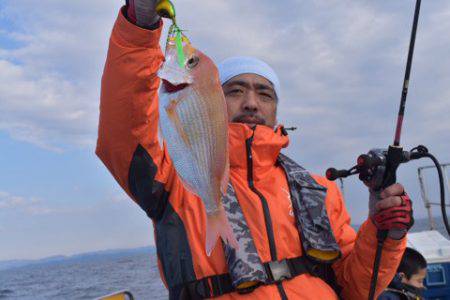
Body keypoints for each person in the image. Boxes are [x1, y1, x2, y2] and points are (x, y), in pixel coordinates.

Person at [96, 1, 414, 299]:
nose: (251, 102)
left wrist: (386, 233)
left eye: (264, 93)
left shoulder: (321, 190)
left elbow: (356, 287)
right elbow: (125, 132)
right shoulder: (176, 182)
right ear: (212, 100)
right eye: (236, 90)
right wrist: (139, 26)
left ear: (277, 109)